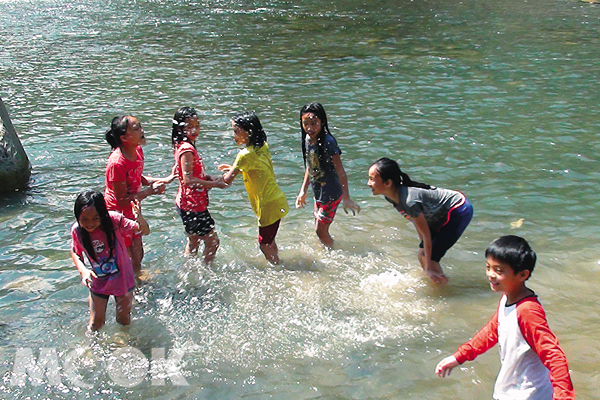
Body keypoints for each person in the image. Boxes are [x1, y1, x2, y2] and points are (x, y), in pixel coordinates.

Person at [435, 235, 576, 399]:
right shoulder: (507, 299)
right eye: (488, 267)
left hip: (529, 394)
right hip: (509, 390)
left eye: (499, 271)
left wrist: (563, 396)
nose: (490, 274)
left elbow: (554, 355)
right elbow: (490, 333)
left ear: (522, 275)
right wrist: (458, 357)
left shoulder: (528, 311)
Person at [367, 157, 473, 284]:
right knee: (422, 255)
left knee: (431, 258)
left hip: (458, 209)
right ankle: (436, 283)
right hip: (439, 215)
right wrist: (424, 247)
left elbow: (426, 235)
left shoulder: (409, 201)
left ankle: (444, 292)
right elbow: (418, 226)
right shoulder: (392, 197)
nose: (368, 183)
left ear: (388, 183)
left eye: (372, 179)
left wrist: (429, 266)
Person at [104, 115, 175, 275]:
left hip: (133, 211)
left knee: (138, 254)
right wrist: (151, 191)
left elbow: (137, 178)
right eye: (136, 129)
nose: (142, 131)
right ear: (124, 138)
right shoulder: (117, 163)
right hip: (117, 215)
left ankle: (137, 282)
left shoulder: (137, 150)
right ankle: (128, 292)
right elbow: (121, 199)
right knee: (125, 259)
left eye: (140, 126)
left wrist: (164, 179)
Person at [70, 190, 150, 331]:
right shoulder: (77, 231)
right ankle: (92, 350)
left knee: (123, 319)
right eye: (84, 219)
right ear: (78, 217)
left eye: (95, 218)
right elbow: (75, 253)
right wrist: (83, 271)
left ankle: (127, 344)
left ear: (103, 214)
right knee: (96, 323)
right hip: (98, 281)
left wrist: (139, 218)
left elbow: (145, 230)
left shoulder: (115, 221)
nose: (90, 224)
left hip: (123, 279)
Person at [218, 111, 288, 264]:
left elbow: (227, 181)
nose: (233, 135)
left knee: (264, 244)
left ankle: (278, 268)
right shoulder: (263, 146)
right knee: (270, 240)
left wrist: (206, 180)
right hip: (277, 200)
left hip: (267, 205)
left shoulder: (244, 155)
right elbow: (258, 167)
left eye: (236, 131)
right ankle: (277, 260)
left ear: (248, 132)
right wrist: (233, 168)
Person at [295, 103, 360, 248]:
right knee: (318, 225)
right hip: (319, 192)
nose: (310, 128)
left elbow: (340, 171)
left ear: (322, 122)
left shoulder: (328, 142)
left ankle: (334, 253)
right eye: (305, 124)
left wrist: (347, 198)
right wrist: (303, 191)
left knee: (320, 231)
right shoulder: (308, 139)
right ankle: (327, 249)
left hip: (331, 193)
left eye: (314, 123)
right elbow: (310, 166)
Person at [171, 106, 227, 264]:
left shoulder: (182, 146)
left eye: (197, 125)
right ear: (179, 129)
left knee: (194, 241)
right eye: (189, 127)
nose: (194, 130)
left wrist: (209, 178)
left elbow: (190, 176)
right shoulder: (187, 149)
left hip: (186, 203)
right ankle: (206, 269)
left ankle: (190, 270)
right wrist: (215, 184)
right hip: (193, 206)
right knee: (213, 242)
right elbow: (188, 180)